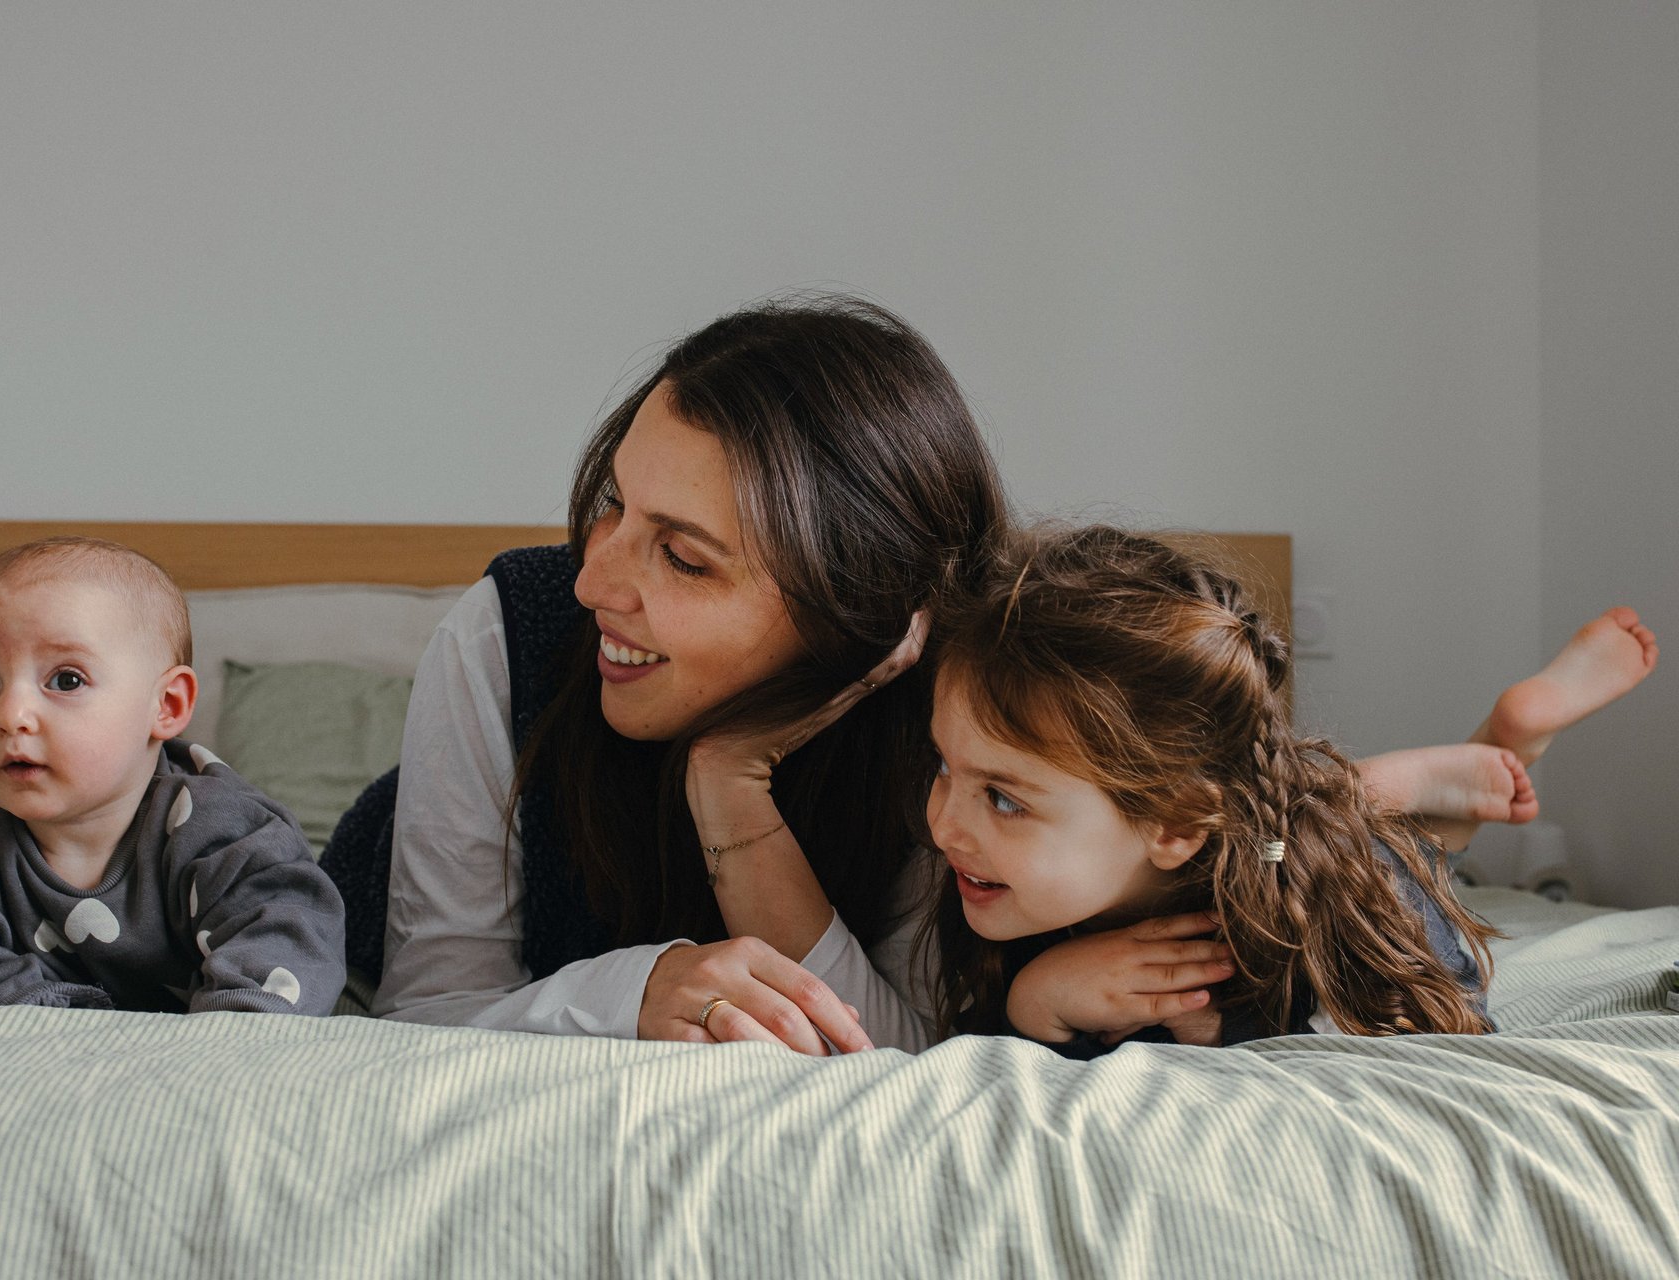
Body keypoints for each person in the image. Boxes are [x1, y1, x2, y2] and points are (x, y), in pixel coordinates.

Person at [336, 295, 1555, 1054]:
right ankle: (1398, 778)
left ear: (857, 608)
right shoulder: (504, 636)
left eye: (684, 556)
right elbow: (424, 1018)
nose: (600, 578)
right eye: (612, 504)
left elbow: (911, 1037)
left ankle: (1380, 784)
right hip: (387, 864)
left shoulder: (958, 710)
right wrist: (631, 990)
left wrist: (732, 789)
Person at [921, 523, 1656, 1051]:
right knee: (1312, 806)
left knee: (1399, 852)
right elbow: (971, 1041)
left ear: (1175, 828)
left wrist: (1234, 1030)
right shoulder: (1003, 881)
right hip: (1258, 813)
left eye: (1004, 799)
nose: (943, 825)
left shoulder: (1314, 894)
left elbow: (1451, 1023)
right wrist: (1034, 998)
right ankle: (1408, 782)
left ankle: (1481, 755)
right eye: (946, 768)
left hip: (1325, 849)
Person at [0, 537, 347, 1015]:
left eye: (66, 680)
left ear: (165, 706)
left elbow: (289, 946)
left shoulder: (229, 834)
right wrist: (92, 1029)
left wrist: (221, 1031)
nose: (11, 715)